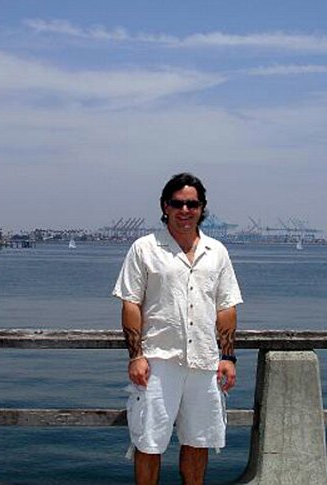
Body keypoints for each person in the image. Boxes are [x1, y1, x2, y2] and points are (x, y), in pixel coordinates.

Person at [112, 172, 243, 485]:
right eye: (177, 203)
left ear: (202, 207)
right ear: (165, 206)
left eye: (192, 204)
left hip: (205, 362)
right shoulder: (144, 248)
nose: (185, 210)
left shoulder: (217, 251)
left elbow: (226, 307)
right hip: (157, 362)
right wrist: (136, 356)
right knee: (149, 442)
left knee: (199, 441)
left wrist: (228, 356)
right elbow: (131, 304)